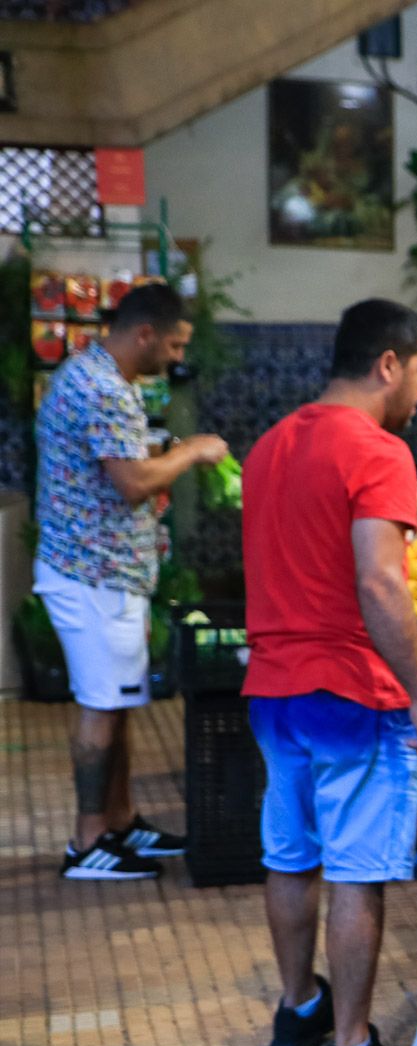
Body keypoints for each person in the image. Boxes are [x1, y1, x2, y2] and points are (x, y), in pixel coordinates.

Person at [241, 298, 417, 1046]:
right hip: (353, 694)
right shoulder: (377, 450)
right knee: (357, 874)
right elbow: (378, 581)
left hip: (272, 688)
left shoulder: (270, 445)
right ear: (388, 364)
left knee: (289, 854)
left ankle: (298, 1011)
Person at [34, 282, 228, 881]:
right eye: (172, 344)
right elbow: (133, 482)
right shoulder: (102, 389)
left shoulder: (94, 375)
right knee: (100, 707)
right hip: (93, 576)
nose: (176, 357)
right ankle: (89, 840)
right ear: (144, 333)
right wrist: (191, 451)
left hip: (106, 574)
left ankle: (120, 821)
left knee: (117, 705)